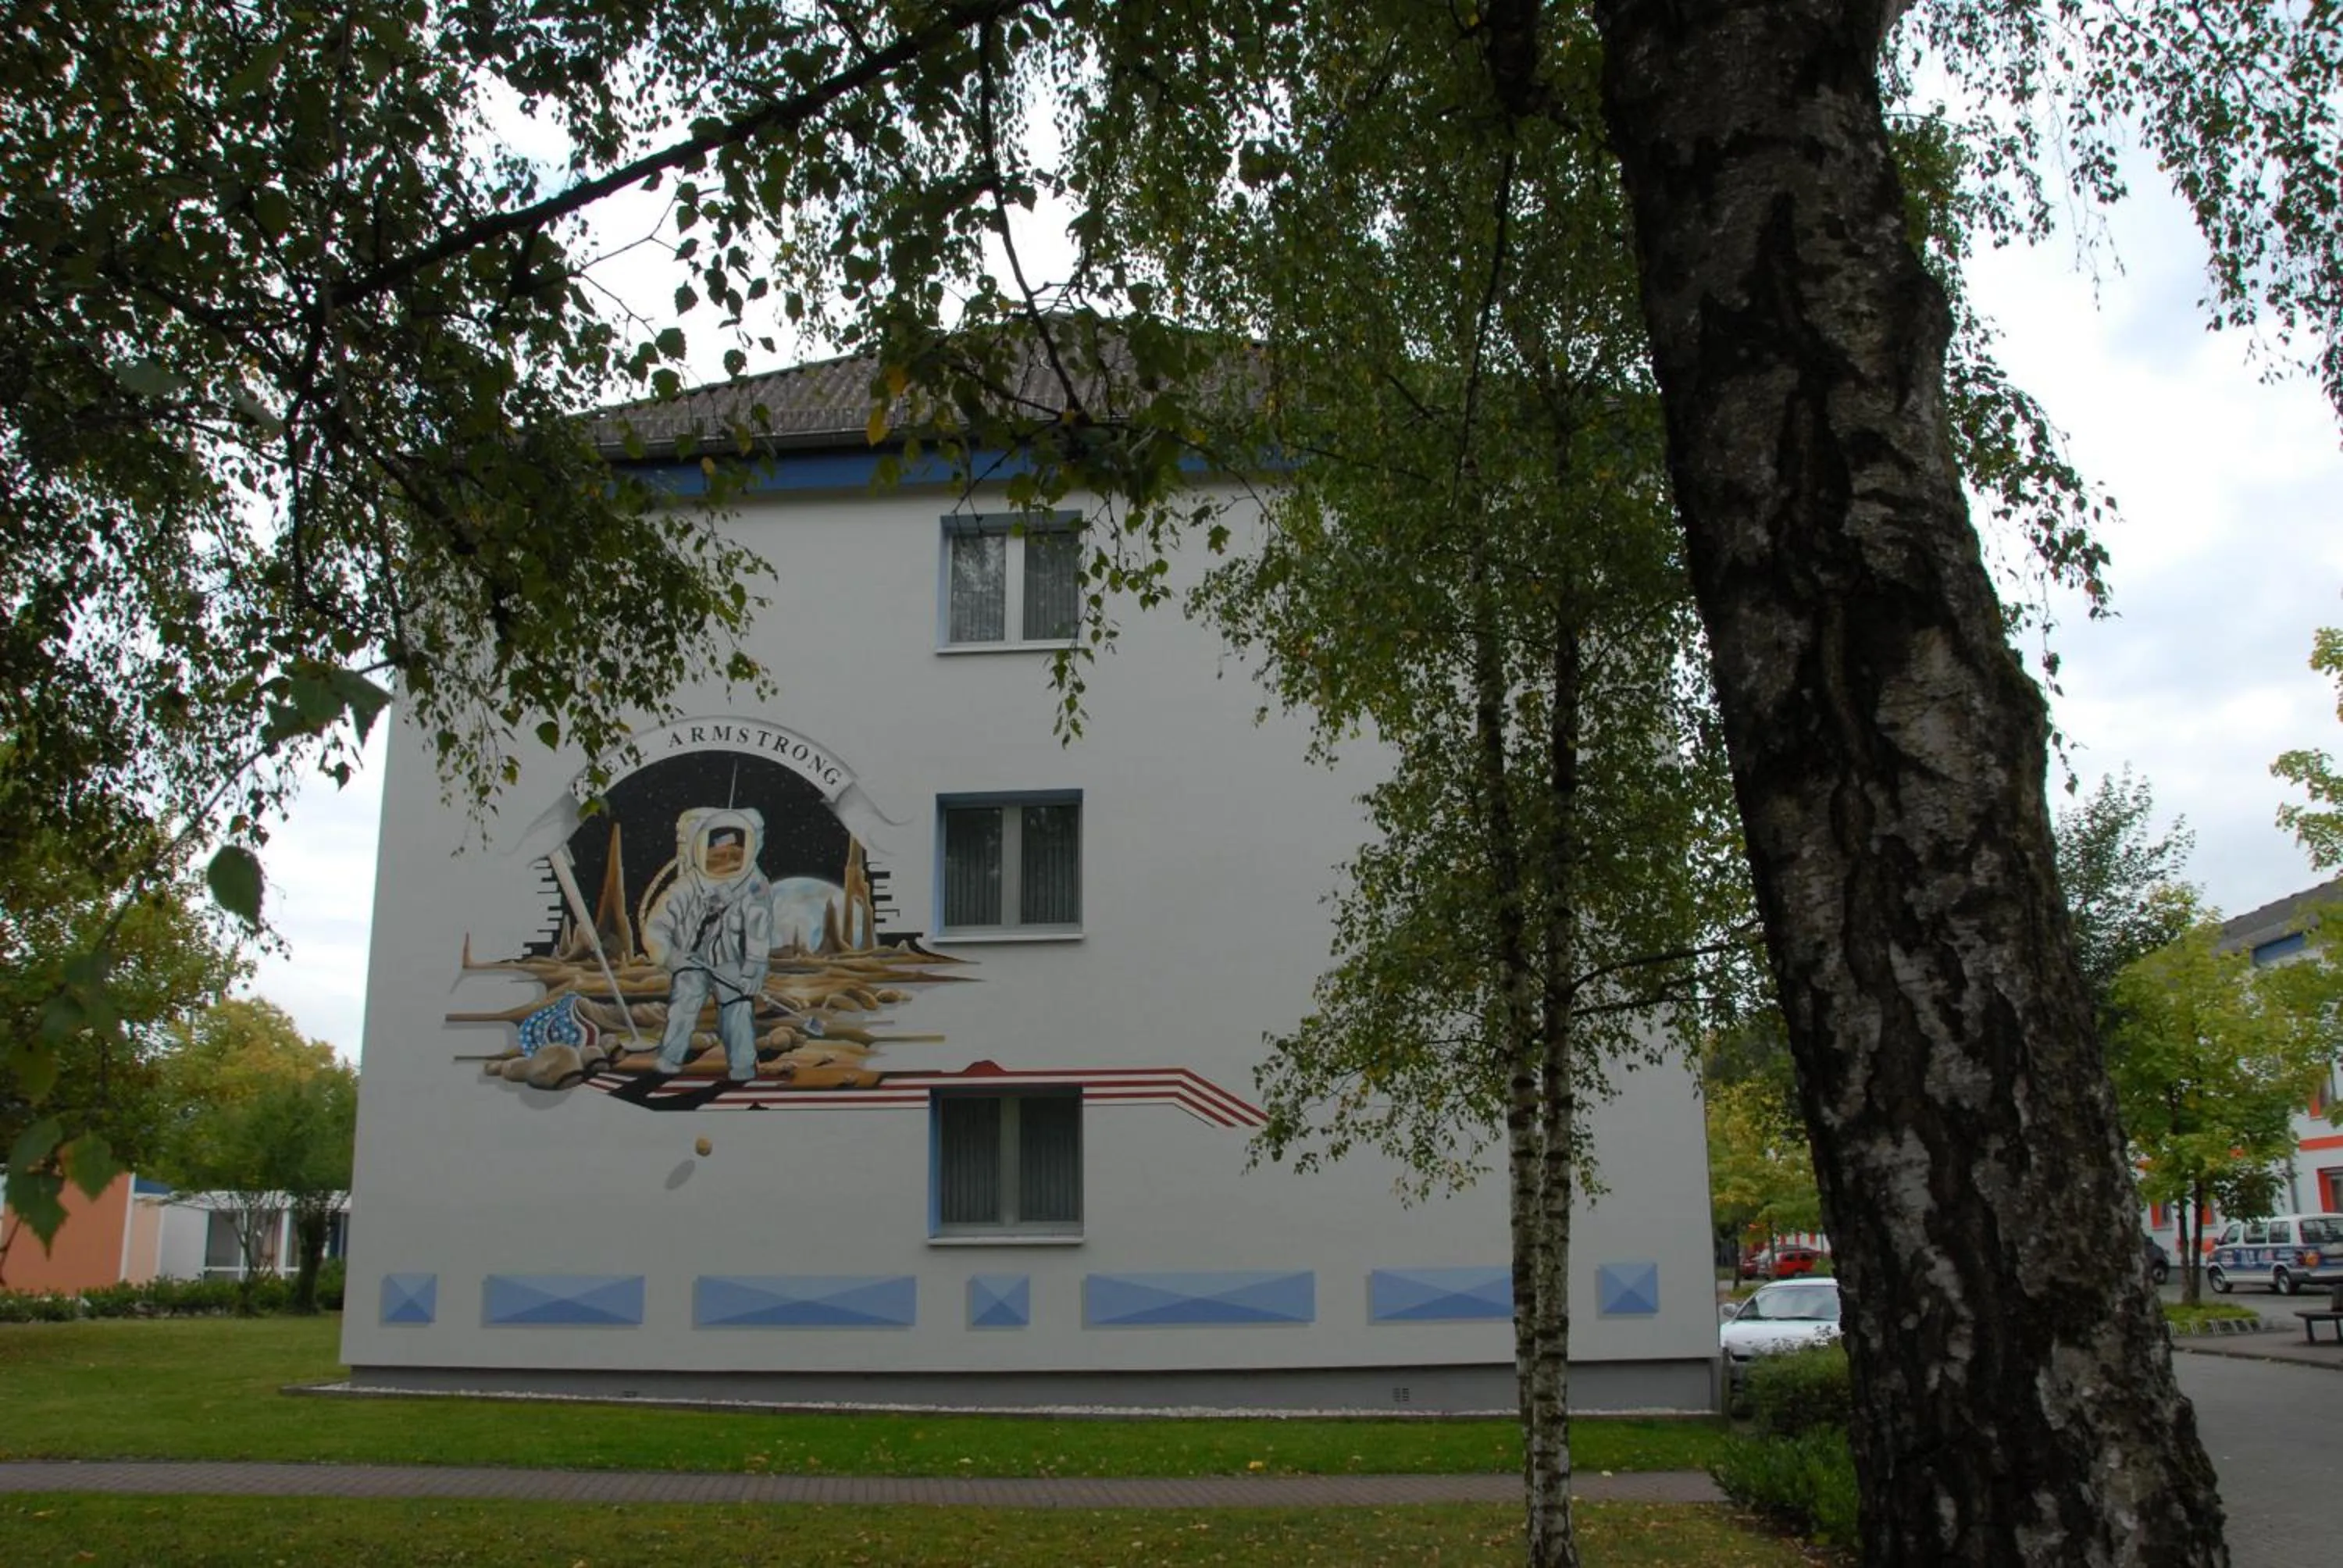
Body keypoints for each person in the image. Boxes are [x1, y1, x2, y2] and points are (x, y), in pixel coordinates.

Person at [643, 807, 773, 1082]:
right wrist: (670, 956)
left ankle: (743, 1067)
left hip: (730, 962)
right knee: (683, 1008)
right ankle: (669, 1060)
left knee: (737, 1009)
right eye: (718, 854)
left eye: (734, 854)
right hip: (690, 959)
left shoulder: (755, 886)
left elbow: (758, 931)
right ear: (701, 850)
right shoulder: (686, 887)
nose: (726, 860)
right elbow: (656, 925)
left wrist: (753, 969)